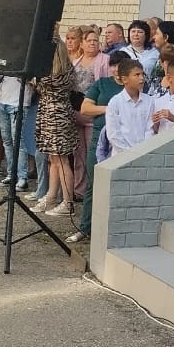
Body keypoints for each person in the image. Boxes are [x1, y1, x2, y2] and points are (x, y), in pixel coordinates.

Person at [73, 62, 128, 244]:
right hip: (99, 137)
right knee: (93, 181)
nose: (116, 70)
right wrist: (109, 109)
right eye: (114, 66)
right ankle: (85, 227)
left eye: (120, 66)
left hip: (123, 139)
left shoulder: (132, 87)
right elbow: (86, 108)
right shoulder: (102, 84)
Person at [32, 39, 78, 216]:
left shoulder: (59, 73)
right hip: (48, 113)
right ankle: (51, 196)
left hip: (57, 116)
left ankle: (68, 202)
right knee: (53, 158)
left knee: (61, 160)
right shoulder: (55, 70)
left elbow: (39, 82)